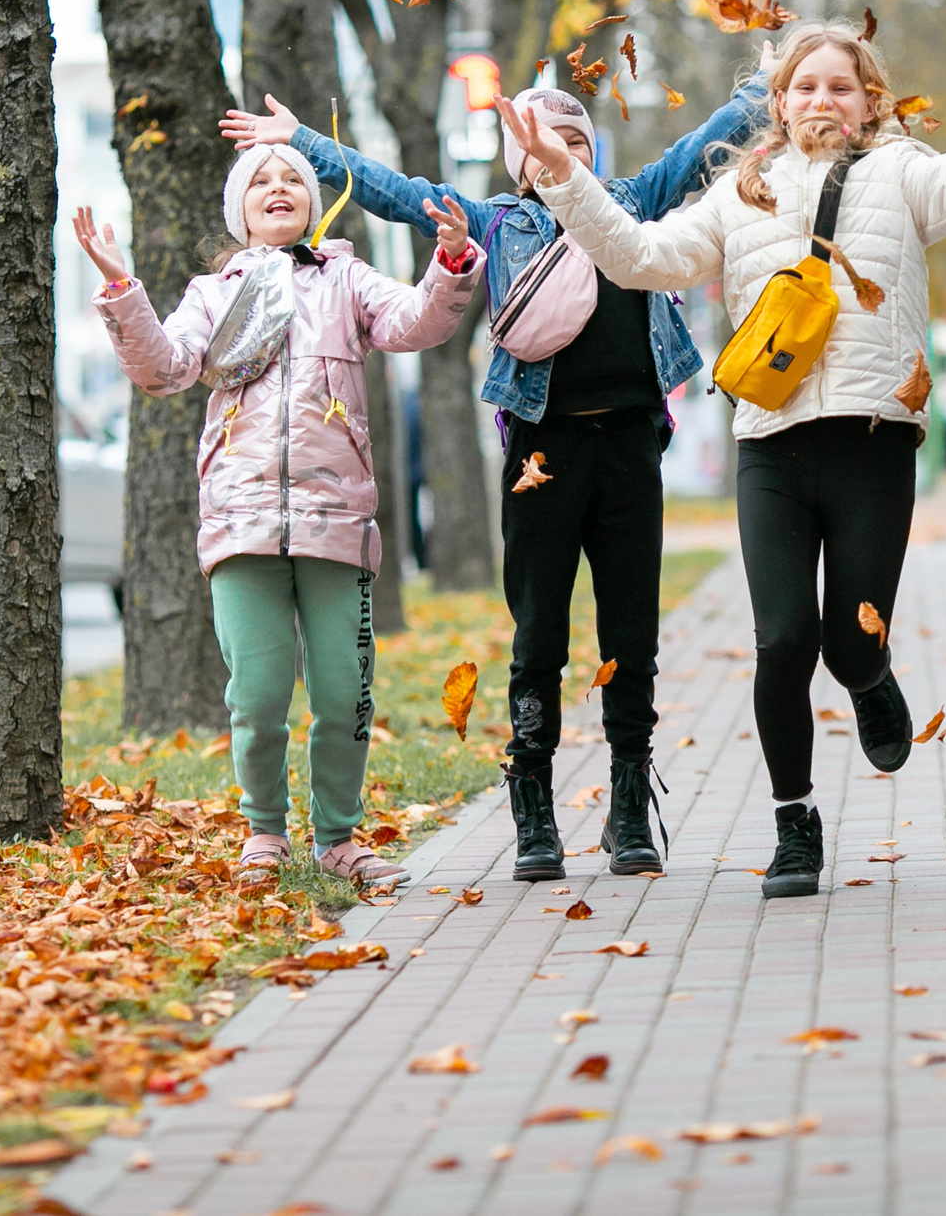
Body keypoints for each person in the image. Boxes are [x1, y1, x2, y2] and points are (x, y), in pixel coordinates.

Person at [501, 22, 946, 898]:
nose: (823, 99)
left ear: (870, 103)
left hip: (872, 441)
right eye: (805, 86)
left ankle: (870, 676)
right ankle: (795, 822)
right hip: (770, 447)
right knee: (782, 638)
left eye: (841, 86)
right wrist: (563, 175)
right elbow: (638, 256)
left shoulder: (903, 175)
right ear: (777, 103)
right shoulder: (736, 191)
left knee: (850, 642)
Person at [223, 77, 768, 881]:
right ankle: (534, 805)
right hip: (540, 459)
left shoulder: (632, 199)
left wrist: (770, 83)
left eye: (577, 139)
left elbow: (699, 149)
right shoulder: (497, 221)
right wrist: (306, 142)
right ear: (520, 160)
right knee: (538, 631)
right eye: (546, 140)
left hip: (628, 448)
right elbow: (395, 192)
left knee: (632, 634)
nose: (565, 150)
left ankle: (626, 801)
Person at [73, 144, 484, 885]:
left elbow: (415, 322)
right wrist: (122, 289)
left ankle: (337, 836)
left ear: (313, 201)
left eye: (293, 176)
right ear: (241, 209)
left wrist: (450, 263)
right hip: (242, 520)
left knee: (342, 691)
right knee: (258, 695)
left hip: (337, 520)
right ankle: (264, 832)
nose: (278, 187)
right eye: (260, 180)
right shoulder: (213, 292)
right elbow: (166, 370)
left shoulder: (347, 278)